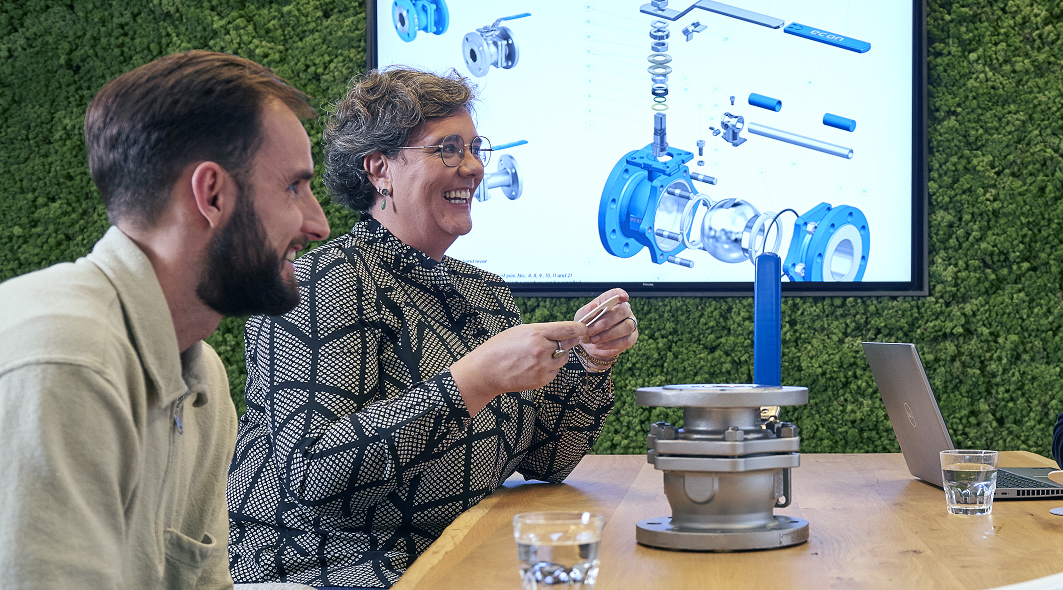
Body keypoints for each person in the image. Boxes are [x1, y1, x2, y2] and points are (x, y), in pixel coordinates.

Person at [226, 67, 639, 589]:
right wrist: (473, 380)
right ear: (379, 169)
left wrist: (591, 361)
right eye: (447, 149)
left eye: (474, 147)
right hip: (324, 571)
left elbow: (547, 458)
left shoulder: (483, 291)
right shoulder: (323, 282)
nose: (473, 168)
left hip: (450, 556)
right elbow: (311, 474)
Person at [0, 50, 330, 589]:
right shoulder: (68, 361)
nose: (316, 223)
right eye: (294, 186)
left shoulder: (203, 382)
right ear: (212, 194)